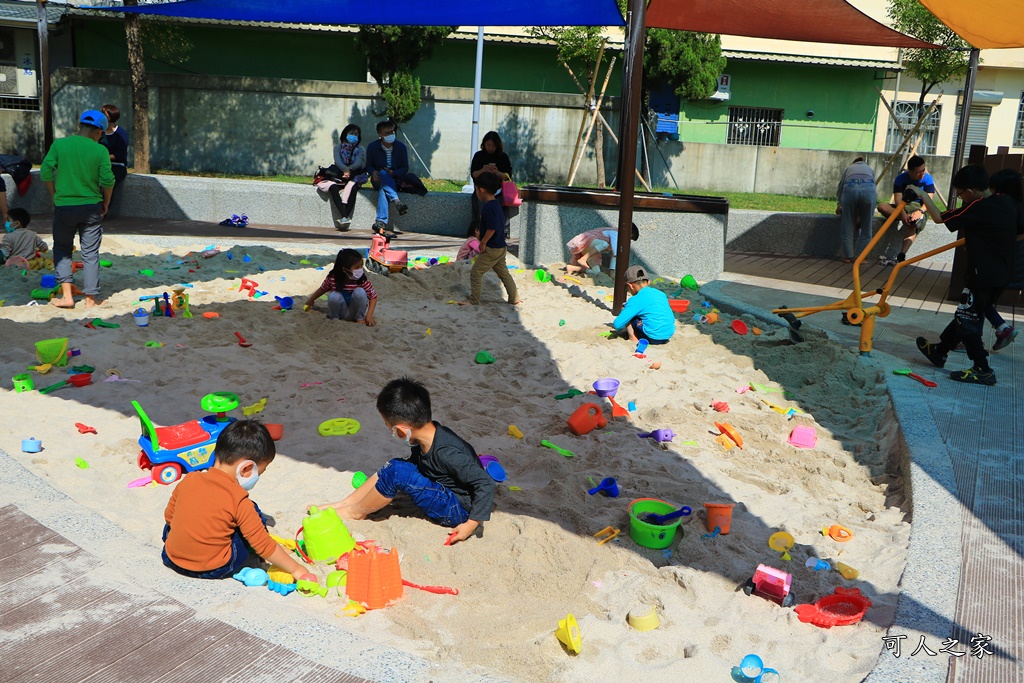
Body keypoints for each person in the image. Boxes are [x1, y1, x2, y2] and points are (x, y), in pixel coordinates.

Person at [315, 377, 495, 545]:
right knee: (395, 466)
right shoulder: (428, 436)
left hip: (459, 509)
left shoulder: (447, 452)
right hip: (443, 490)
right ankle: (347, 503)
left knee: (399, 472)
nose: (390, 432)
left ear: (402, 430)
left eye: (389, 428)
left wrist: (470, 524)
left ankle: (356, 513)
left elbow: (485, 483)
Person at [162, 419, 317, 582]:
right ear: (246, 468)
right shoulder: (238, 499)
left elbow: (169, 517)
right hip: (215, 568)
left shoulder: (189, 479)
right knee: (251, 511)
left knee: (178, 519)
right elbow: (263, 546)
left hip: (172, 558)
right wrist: (297, 570)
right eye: (260, 473)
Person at [912, 165, 1020, 385]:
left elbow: (941, 218)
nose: (961, 198)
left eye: (960, 194)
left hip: (983, 275)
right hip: (1001, 274)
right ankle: (939, 351)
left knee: (967, 318)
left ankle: (983, 369)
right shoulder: (1007, 203)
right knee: (968, 313)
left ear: (970, 191)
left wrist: (923, 195)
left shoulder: (978, 206)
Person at [40, 109, 115, 309]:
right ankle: (91, 299)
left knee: (63, 250)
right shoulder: (100, 151)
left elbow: (46, 170)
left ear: (80, 126)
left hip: (65, 206)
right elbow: (108, 179)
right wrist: (106, 201)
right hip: (91, 207)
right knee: (90, 253)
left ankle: (67, 296)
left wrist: (53, 194)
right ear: (99, 132)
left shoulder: (60, 144)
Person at [463, 172, 520, 306]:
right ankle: (514, 298)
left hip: (492, 248)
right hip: (501, 247)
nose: (476, 192)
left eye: (476, 189)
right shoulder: (497, 205)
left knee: (476, 272)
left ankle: (474, 300)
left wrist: (483, 242)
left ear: (481, 190)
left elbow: (492, 228)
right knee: (503, 273)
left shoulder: (488, 207)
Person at [365, 120, 427, 238]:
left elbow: (405, 168)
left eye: (392, 132)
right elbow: (368, 165)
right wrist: (373, 173)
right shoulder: (373, 147)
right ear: (380, 135)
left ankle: (380, 222)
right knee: (383, 174)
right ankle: (397, 202)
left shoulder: (401, 147)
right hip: (378, 179)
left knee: (384, 188)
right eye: (387, 133)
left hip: (396, 179)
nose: (390, 135)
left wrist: (393, 172)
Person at [877, 155, 936, 264]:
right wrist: (903, 215)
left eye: (924, 170)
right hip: (903, 207)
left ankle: (902, 254)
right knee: (881, 206)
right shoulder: (901, 179)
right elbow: (898, 200)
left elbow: (929, 200)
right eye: (919, 171)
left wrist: (920, 212)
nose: (923, 173)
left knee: (913, 224)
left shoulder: (928, 179)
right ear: (910, 171)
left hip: (919, 208)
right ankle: (908, 218)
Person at [304, 248, 377, 325]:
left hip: (355, 312)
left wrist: (369, 315)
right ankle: (334, 318)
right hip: (341, 312)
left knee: (360, 292)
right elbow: (323, 289)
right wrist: (311, 300)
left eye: (361, 266)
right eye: (357, 267)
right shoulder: (333, 278)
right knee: (334, 296)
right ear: (344, 270)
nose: (360, 269)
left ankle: (359, 318)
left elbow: (373, 296)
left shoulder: (362, 280)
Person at [612, 265, 676, 344]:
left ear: (630, 286)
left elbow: (617, 324)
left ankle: (632, 337)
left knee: (626, 309)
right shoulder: (661, 294)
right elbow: (672, 319)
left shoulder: (635, 299)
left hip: (651, 336)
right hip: (667, 335)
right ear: (648, 281)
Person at [468, 131, 513, 236]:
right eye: (488, 145)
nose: (490, 148)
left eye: (493, 145)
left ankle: (501, 232)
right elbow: (473, 173)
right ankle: (478, 231)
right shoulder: (479, 156)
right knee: (480, 212)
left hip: (497, 191)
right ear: (484, 144)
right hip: (481, 191)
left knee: (497, 214)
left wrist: (497, 172)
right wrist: (483, 170)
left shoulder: (503, 157)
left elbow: (508, 175)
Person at [325, 124, 368, 229]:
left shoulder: (360, 149)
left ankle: (345, 216)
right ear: (345, 134)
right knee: (333, 188)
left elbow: (358, 163)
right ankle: (344, 216)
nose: (354, 136)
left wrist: (349, 170)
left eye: (356, 134)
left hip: (355, 174)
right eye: (352, 133)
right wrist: (345, 170)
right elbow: (338, 161)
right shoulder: (338, 148)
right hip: (340, 174)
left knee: (353, 188)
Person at [835, 157, 877, 262]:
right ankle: (860, 257)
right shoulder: (870, 169)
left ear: (854, 162)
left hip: (850, 192)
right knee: (866, 228)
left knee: (847, 226)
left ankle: (847, 256)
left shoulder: (848, 169)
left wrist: (840, 204)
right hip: (868, 194)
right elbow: (873, 189)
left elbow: (840, 189)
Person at [565, 224, 639, 276]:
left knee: (596, 272)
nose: (628, 241)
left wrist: (612, 272)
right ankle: (584, 259)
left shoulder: (616, 237)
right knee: (604, 244)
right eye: (629, 238)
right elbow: (615, 252)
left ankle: (572, 268)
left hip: (591, 249)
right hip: (586, 241)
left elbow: (614, 255)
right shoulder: (615, 233)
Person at [99, 104, 129, 184]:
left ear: (109, 117)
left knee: (106, 181)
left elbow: (119, 154)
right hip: (100, 164)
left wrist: (103, 158)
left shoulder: (120, 134)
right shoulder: (98, 132)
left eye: (103, 113)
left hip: (116, 166)